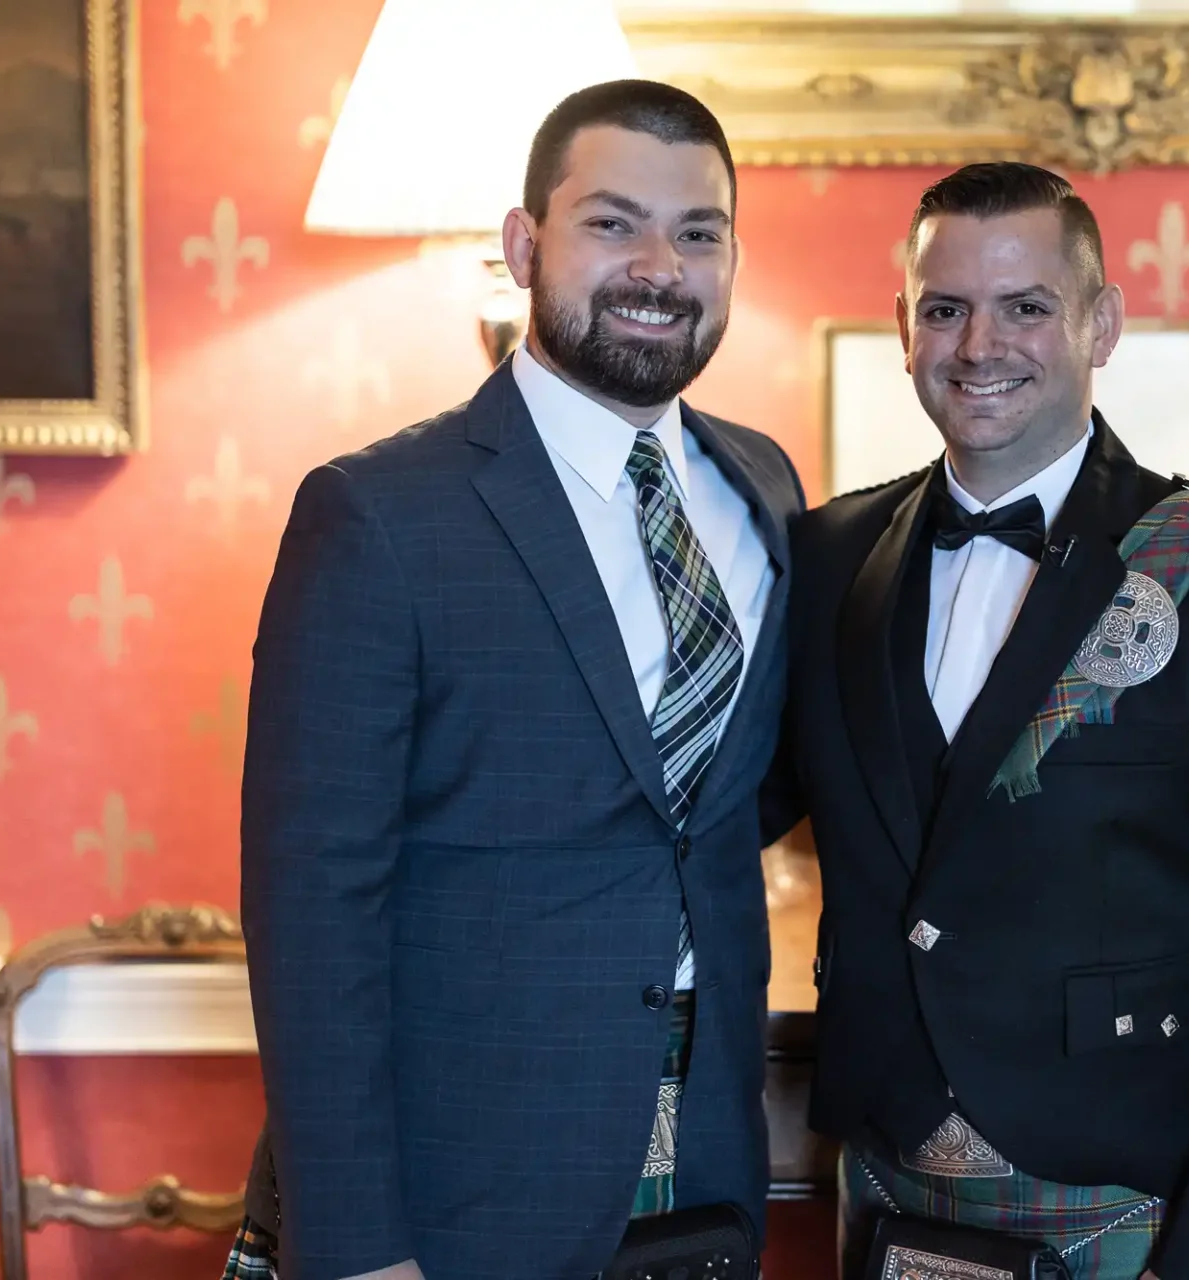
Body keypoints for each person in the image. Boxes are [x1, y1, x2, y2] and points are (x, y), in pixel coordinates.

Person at [762, 162, 1189, 1279]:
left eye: (1026, 306)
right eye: (946, 308)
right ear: (904, 327)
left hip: (1133, 1200)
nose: (980, 343)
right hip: (889, 1190)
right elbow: (717, 804)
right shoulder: (826, 554)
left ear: (1102, 323)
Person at [226, 79, 803, 1280]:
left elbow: (732, 797)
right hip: (458, 1186)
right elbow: (312, 912)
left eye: (699, 233)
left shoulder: (766, 486)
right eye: (612, 222)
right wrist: (353, 1246)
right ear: (523, 244)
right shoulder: (378, 516)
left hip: (705, 1161)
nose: (660, 264)